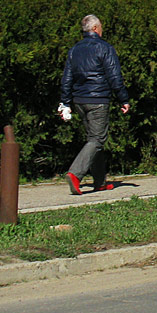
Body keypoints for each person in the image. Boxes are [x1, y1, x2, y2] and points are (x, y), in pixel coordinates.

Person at [59, 14, 131, 195]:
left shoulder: (74, 50)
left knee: (93, 140)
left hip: (79, 101)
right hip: (98, 100)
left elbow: (67, 78)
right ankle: (75, 174)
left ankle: (99, 182)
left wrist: (65, 102)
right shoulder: (105, 48)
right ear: (95, 29)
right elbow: (115, 76)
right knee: (97, 140)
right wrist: (123, 99)